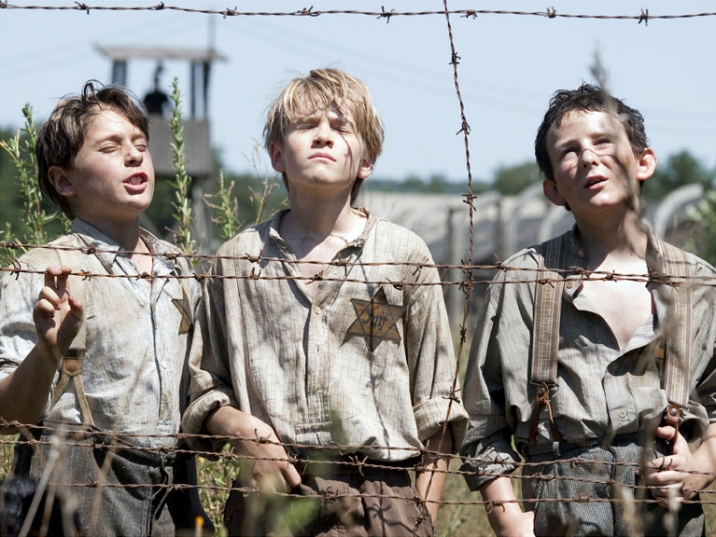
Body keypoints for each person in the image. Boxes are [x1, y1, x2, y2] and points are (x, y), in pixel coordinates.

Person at [181, 68, 468, 536]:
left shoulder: (402, 255)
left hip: (382, 495)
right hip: (275, 491)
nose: (324, 136)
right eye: (306, 125)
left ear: (367, 159)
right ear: (276, 154)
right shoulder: (238, 260)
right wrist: (243, 432)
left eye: (341, 127)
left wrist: (421, 517)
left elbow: (438, 405)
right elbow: (204, 385)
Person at [460, 84, 716, 536]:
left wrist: (699, 466)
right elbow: (481, 421)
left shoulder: (699, 284)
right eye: (570, 152)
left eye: (604, 141)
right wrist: (509, 521)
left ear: (643, 161)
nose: (590, 158)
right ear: (553, 189)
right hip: (559, 510)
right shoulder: (524, 281)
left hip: (668, 516)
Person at [0, 82, 210, 536]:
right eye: (111, 147)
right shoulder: (43, 271)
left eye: (140, 145)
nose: (134, 157)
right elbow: (8, 415)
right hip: (78, 494)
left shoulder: (180, 270)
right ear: (64, 180)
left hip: (172, 496)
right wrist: (47, 352)